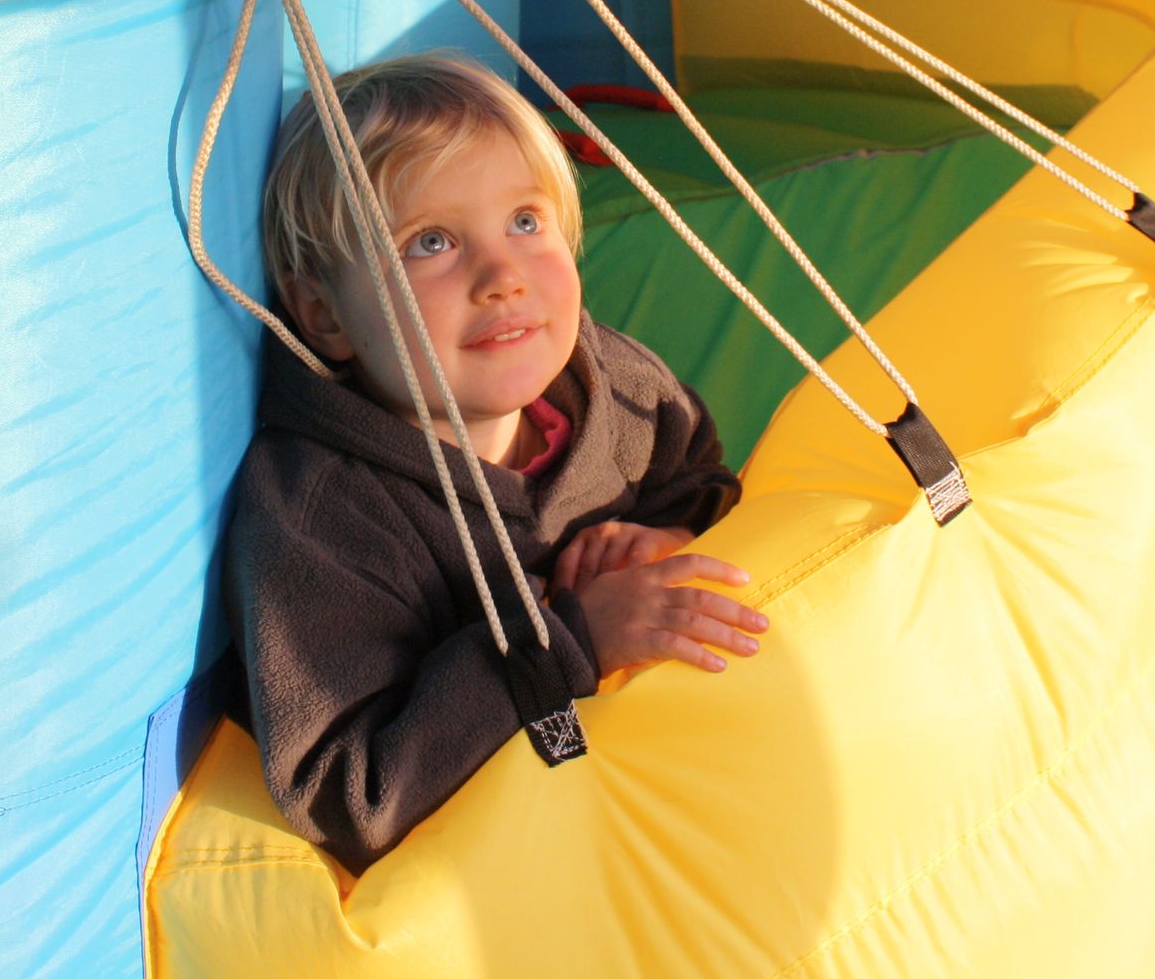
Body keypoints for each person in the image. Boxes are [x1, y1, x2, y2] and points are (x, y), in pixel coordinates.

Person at [225, 50, 766, 872]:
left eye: (525, 222)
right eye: (431, 242)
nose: (502, 276)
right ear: (324, 315)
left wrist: (666, 535)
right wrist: (577, 638)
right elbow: (351, 790)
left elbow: (695, 474)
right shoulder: (321, 515)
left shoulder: (606, 381)